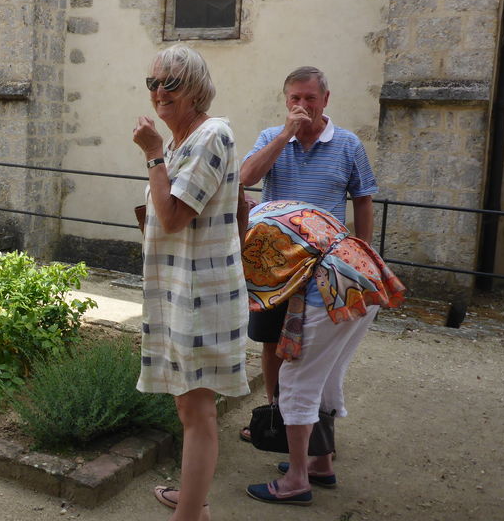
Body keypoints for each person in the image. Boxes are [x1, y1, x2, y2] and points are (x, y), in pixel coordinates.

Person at [133, 44, 248, 521]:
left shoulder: (210, 136)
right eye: (153, 83)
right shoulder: (185, 141)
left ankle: (191, 515)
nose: (159, 92)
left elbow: (175, 216)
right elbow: (233, 207)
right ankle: (191, 498)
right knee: (188, 410)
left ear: (195, 89)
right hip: (181, 289)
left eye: (171, 83)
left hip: (201, 296)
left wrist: (154, 155)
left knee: (197, 412)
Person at [238, 66, 378, 440]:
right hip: (274, 266)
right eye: (295, 99)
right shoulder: (272, 137)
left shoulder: (348, 144)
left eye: (309, 98)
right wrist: (285, 135)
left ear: (325, 100)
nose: (302, 105)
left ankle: (311, 429)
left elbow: (363, 200)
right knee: (270, 343)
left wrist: (361, 250)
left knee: (311, 352)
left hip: (324, 267)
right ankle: (275, 419)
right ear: (286, 102)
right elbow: (246, 177)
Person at [241, 200, 405, 505]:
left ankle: (296, 481)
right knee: (327, 375)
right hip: (362, 272)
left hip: (331, 282)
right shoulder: (267, 209)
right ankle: (320, 462)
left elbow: (257, 293)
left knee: (295, 381)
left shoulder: (246, 232)